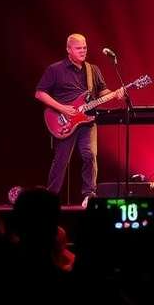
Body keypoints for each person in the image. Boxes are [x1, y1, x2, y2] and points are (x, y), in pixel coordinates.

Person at [35, 34, 122, 208]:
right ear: (68, 50)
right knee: (61, 160)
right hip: (64, 121)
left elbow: (102, 92)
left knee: (90, 155)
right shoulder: (55, 69)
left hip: (87, 120)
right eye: (78, 48)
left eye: (85, 48)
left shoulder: (92, 70)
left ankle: (89, 194)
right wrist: (62, 108)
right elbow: (39, 93)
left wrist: (116, 94)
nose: (83, 51)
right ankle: (50, 198)